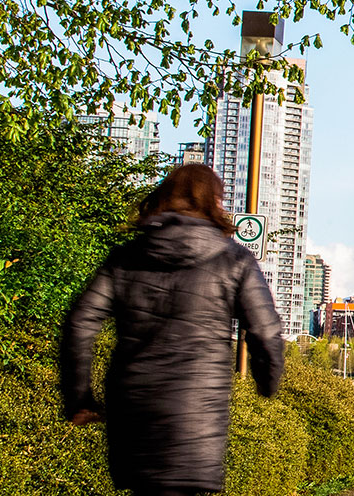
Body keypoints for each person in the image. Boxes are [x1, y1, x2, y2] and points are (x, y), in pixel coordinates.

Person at [60, 163, 286, 496]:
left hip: (132, 404)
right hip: (197, 407)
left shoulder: (125, 257)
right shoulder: (234, 260)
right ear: (214, 201)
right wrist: (267, 383)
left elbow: (79, 323)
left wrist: (80, 397)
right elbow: (265, 332)